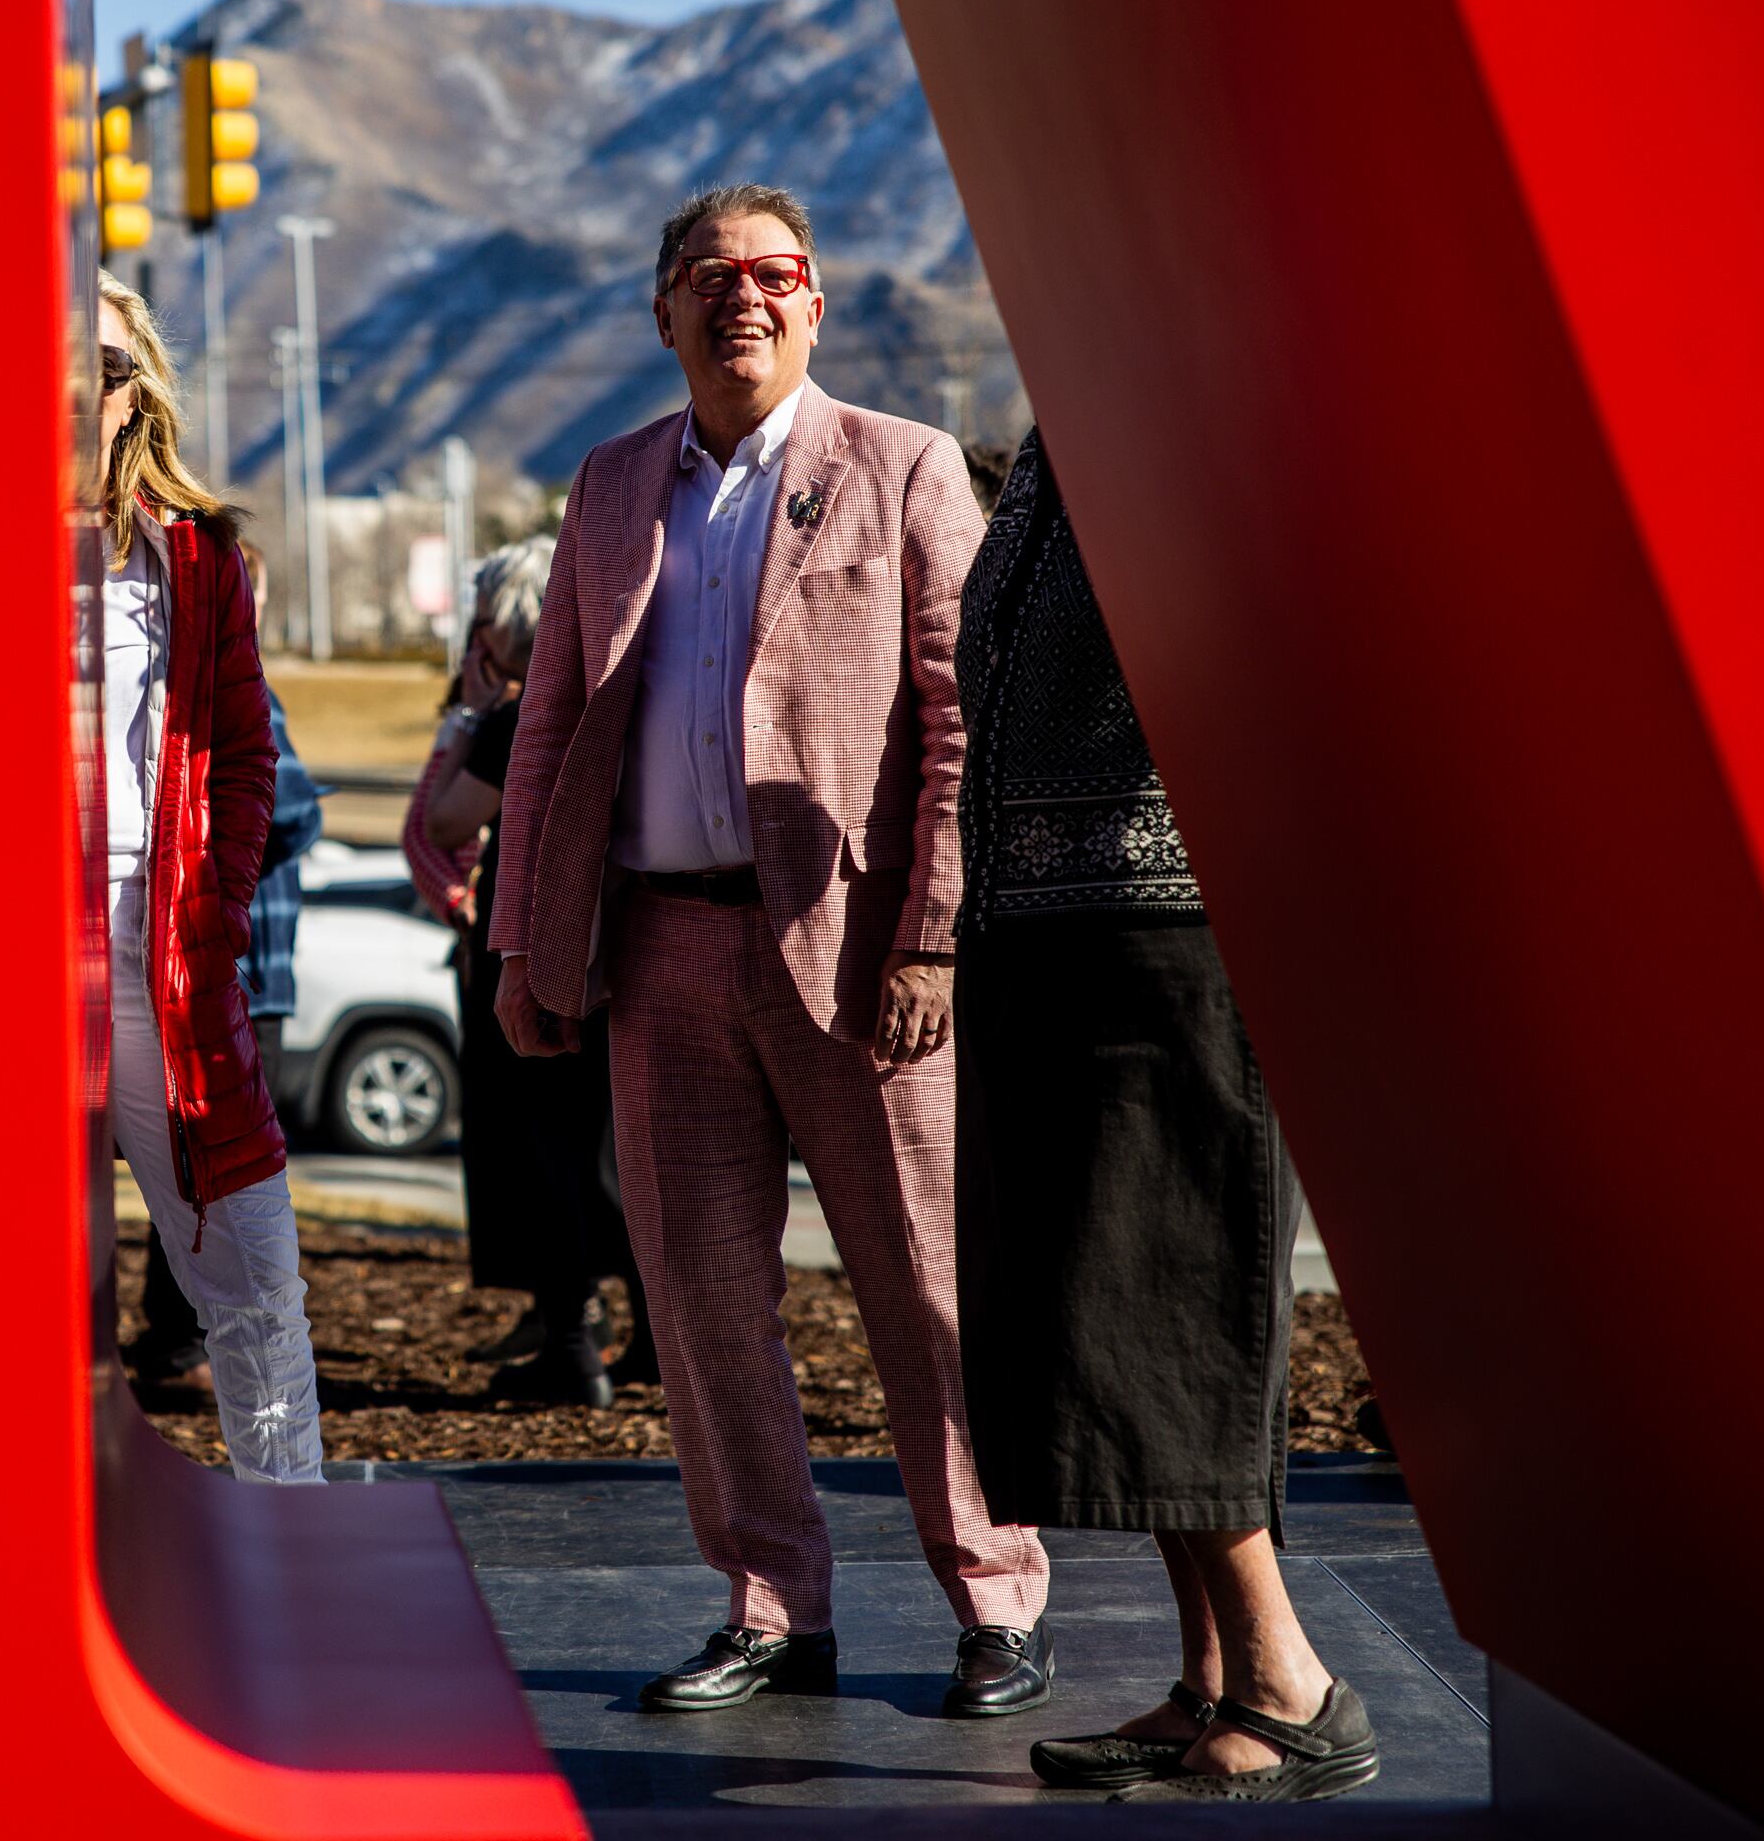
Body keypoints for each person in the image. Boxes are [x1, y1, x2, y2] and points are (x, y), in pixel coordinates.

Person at [488, 185, 1051, 1714]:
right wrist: (527, 952)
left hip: (863, 956)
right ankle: (769, 1606)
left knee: (920, 1294)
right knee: (702, 1300)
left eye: (775, 273)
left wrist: (932, 940)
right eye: (710, 275)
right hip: (661, 955)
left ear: (817, 304)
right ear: (661, 310)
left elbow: (961, 729)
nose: (744, 297)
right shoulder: (608, 492)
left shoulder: (908, 467)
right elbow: (548, 726)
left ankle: (997, 1599)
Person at [956, 428, 1376, 1803]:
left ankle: (1289, 1687)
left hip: (1173, 945)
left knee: (1169, 1317)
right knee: (1094, 1328)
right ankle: (1207, 1682)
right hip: (1047, 941)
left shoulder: (1185, 427)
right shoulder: (1054, 451)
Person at [92, 269, 323, 1484]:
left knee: (251, 1268)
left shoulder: (197, 560)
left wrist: (216, 906)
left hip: (160, 957)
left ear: (144, 396)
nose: (84, 390)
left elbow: (245, 756)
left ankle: (291, 1533)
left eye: (110, 369)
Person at [422, 536, 654, 1405]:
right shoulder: (625, 698)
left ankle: (570, 1342)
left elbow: (448, 824)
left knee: (547, 1153)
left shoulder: (516, 723)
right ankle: (655, 1341)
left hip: (532, 942)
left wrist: (465, 726)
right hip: (627, 938)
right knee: (624, 1151)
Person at [130, 541, 325, 1396]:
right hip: (210, 962)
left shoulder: (241, 684)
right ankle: (169, 1341)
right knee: (194, 1190)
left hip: (219, 970)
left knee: (224, 1208)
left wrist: (216, 904)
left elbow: (276, 788)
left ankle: (178, 1344)